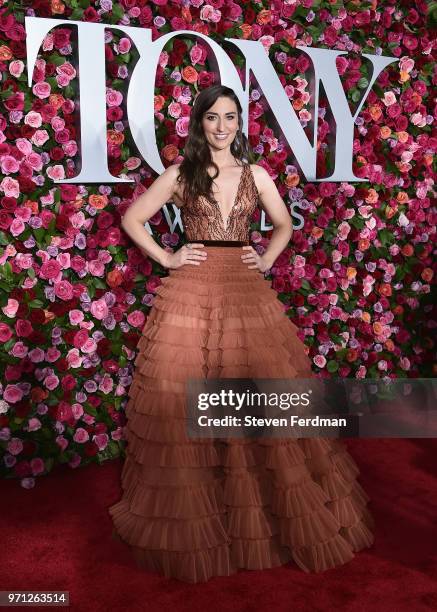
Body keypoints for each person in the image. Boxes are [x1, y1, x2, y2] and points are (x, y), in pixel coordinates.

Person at [109, 84, 374, 583]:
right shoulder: (181, 174)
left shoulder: (255, 173)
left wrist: (269, 257)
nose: (222, 126)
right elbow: (133, 218)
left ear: (239, 123)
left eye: (230, 117)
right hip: (192, 290)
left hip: (244, 289)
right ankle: (207, 508)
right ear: (200, 123)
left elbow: (283, 224)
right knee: (186, 396)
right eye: (213, 117)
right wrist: (168, 257)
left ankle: (254, 505)